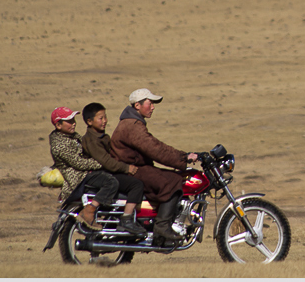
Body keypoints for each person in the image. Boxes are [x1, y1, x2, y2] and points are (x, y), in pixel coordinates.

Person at [110, 88, 199, 244]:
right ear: (137, 105)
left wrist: (182, 156)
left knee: (172, 177)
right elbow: (155, 149)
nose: (153, 107)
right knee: (172, 181)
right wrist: (183, 159)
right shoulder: (132, 125)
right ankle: (162, 228)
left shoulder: (133, 123)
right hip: (133, 169)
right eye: (149, 103)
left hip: (137, 167)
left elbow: (154, 146)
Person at [80, 102, 147, 236]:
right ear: (89, 121)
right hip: (101, 175)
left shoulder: (101, 137)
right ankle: (126, 219)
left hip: (106, 172)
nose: (105, 121)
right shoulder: (91, 140)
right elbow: (106, 162)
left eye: (105, 117)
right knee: (136, 185)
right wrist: (126, 168)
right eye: (101, 118)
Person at [48, 106, 119, 231]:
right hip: (78, 177)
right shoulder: (60, 145)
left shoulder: (72, 136)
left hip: (85, 173)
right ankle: (89, 211)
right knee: (110, 181)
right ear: (58, 125)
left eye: (73, 120)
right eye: (69, 121)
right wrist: (102, 162)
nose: (73, 123)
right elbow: (79, 163)